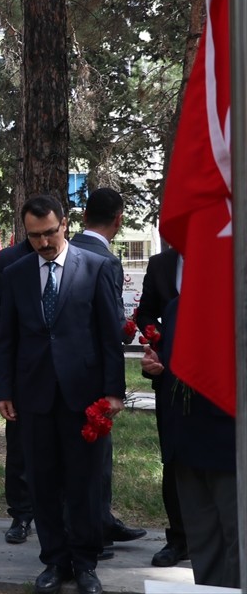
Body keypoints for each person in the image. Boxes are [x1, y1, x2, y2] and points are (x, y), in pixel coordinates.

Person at [0, 194, 125, 594]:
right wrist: (4, 389)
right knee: (43, 482)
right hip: (34, 396)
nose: (44, 242)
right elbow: (6, 338)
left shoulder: (97, 267)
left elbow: (109, 336)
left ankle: (85, 563)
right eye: (35, 236)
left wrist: (114, 392)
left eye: (50, 232)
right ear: (26, 234)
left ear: (64, 223)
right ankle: (54, 560)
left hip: (83, 396)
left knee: (84, 482)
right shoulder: (15, 274)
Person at [68, 188, 145, 556]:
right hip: (94, 372)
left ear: (83, 218)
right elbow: (111, 326)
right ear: (118, 220)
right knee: (95, 457)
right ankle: (94, 528)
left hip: (61, 370)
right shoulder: (105, 260)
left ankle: (99, 521)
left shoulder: (64, 250)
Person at [142, 295, 237, 587]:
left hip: (230, 445)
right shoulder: (175, 306)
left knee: (237, 539)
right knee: (203, 538)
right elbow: (173, 368)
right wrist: (155, 367)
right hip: (186, 443)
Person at [134, 247, 188, 567]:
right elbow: (145, 313)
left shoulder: (227, 256)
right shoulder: (160, 264)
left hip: (220, 379)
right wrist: (158, 342)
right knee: (174, 457)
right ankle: (179, 539)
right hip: (169, 378)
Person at [0, 235, 35, 544]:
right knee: (20, 448)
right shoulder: (5, 263)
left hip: (66, 376)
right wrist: (3, 381)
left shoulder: (79, 260)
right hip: (21, 375)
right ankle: (22, 513)